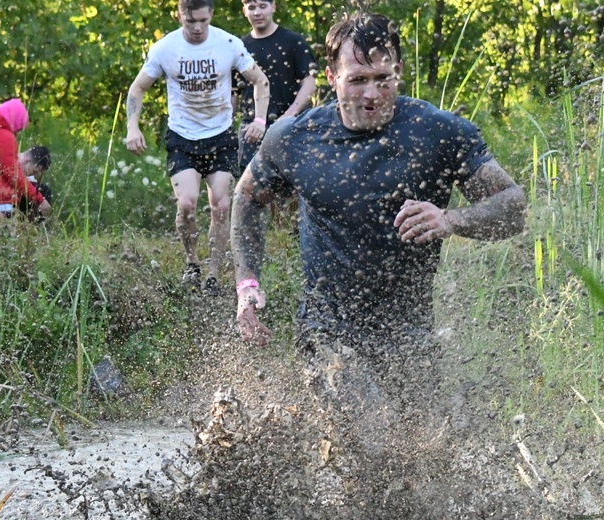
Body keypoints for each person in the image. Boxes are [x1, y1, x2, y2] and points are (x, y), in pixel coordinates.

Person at [230, 12, 526, 424]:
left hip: (409, 331)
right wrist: (248, 284)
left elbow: (513, 207)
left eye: (382, 78)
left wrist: (452, 220)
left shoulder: (437, 133)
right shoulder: (297, 139)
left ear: (398, 72)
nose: (372, 94)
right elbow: (246, 199)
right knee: (370, 427)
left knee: (426, 450)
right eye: (357, 80)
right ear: (332, 78)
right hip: (327, 328)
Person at [124, 0, 270, 296]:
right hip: (182, 137)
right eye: (190, 22)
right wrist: (132, 127)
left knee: (221, 205)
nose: (197, 28)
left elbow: (260, 80)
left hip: (220, 135)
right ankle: (192, 263)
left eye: (202, 21)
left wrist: (259, 120)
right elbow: (137, 88)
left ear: (211, 15)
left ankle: (214, 274)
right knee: (187, 204)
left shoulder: (227, 43)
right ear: (180, 16)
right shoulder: (165, 48)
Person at [234, 0, 317, 170]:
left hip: (292, 126)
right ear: (244, 11)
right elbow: (233, 92)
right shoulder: (240, 47)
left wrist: (290, 114)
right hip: (252, 131)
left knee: (296, 189)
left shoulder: (293, 41)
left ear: (273, 7)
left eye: (262, 6)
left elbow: (310, 83)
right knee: (250, 192)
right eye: (252, 8)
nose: (257, 13)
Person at [18, 145, 53, 219]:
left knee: (43, 189)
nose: (33, 175)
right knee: (43, 191)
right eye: (34, 171)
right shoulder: (10, 163)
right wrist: (40, 200)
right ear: (27, 160)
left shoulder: (22, 166)